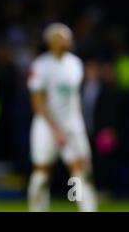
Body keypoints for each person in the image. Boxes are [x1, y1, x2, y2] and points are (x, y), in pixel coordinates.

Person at [27, 23, 97, 212]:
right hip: (46, 126)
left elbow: (74, 99)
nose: (67, 40)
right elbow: (38, 102)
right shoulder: (41, 65)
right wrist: (55, 129)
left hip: (72, 125)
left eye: (68, 36)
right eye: (61, 36)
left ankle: (88, 208)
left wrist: (77, 124)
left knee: (81, 171)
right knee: (41, 173)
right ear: (50, 41)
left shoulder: (76, 63)